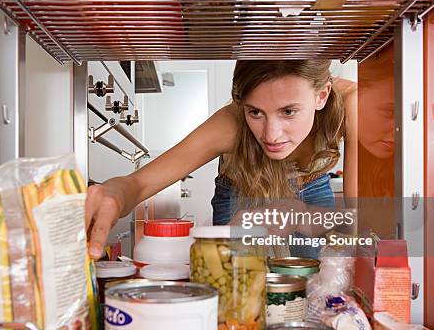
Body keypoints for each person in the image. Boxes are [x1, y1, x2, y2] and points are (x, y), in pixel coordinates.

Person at [84, 60, 357, 259]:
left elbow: (358, 221)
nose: (271, 135)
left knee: (318, 274)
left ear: (321, 97)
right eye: (255, 112)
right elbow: (140, 184)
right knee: (233, 275)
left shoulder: (351, 104)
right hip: (241, 187)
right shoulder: (229, 125)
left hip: (312, 186)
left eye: (288, 111)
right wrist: (114, 194)